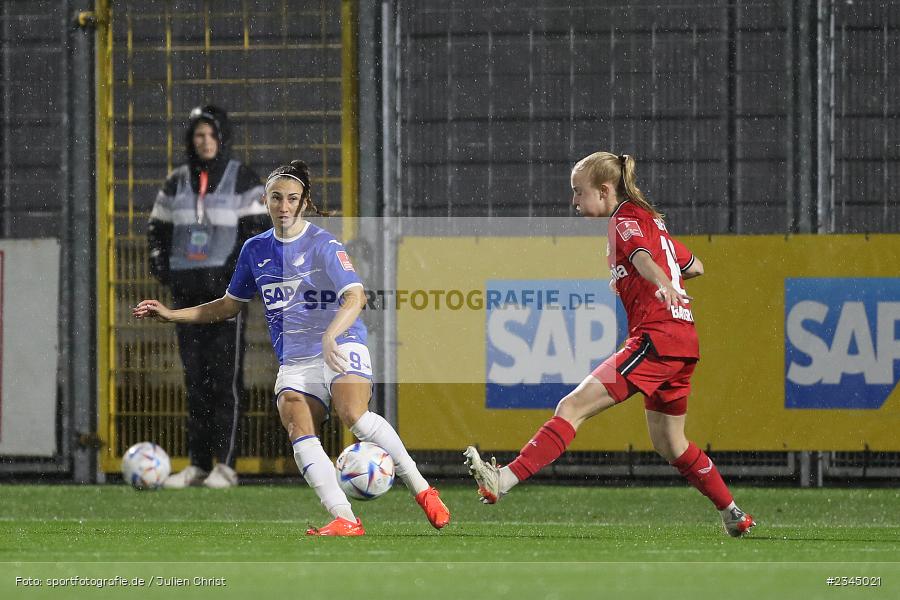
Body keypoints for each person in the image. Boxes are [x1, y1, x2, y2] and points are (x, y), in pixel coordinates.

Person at [135, 160, 451, 536]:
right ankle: (345, 518)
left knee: (354, 415)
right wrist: (172, 315)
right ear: (266, 201)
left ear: (304, 203)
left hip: (340, 341)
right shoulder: (255, 250)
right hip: (296, 360)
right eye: (276, 198)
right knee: (297, 424)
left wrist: (331, 334)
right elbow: (227, 305)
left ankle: (422, 489)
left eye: (292, 199)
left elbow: (356, 296)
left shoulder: (323, 243)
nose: (284, 206)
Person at [464, 152, 756, 538]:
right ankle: (733, 513)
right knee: (670, 443)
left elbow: (641, 257)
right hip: (684, 341)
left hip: (657, 336)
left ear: (604, 191)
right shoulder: (652, 221)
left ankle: (505, 479)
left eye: (578, 192)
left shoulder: (624, 219)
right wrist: (656, 278)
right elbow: (695, 265)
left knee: (572, 406)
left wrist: (659, 283)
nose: (574, 202)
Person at [146, 105, 268, 489]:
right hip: (185, 295)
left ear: (222, 137)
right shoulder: (176, 180)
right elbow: (157, 229)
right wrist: (161, 266)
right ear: (191, 140)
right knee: (195, 380)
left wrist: (231, 273)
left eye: (212, 135)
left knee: (225, 380)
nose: (205, 142)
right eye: (199, 135)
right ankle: (198, 464)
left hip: (225, 297)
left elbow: (256, 230)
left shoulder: (241, 177)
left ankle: (226, 465)